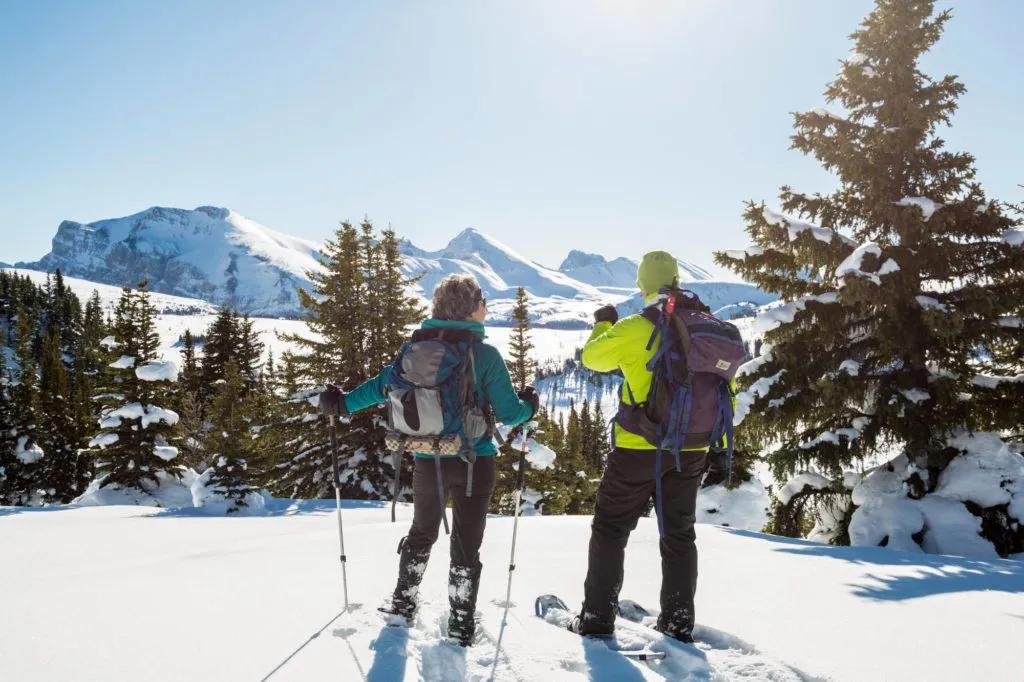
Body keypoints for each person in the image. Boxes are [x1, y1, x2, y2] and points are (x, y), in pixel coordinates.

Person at [319, 274, 538, 646]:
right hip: (474, 461)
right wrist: (530, 404)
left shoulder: (414, 351)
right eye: (482, 301)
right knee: (467, 543)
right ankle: (460, 621)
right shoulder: (483, 355)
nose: (486, 307)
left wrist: (341, 403)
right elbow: (509, 412)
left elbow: (380, 386)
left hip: (426, 456)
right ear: (471, 309)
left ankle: (403, 602)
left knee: (422, 532)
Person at [570, 250, 719, 643]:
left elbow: (593, 358)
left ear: (642, 285)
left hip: (639, 446)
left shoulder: (638, 326)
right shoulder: (705, 325)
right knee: (679, 534)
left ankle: (597, 618)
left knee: (610, 527)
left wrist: (603, 325)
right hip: (691, 448)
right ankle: (677, 621)